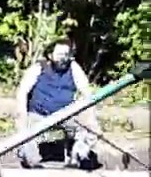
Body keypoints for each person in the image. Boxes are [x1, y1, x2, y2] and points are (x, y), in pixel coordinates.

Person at [16, 38, 100, 169]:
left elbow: (87, 94)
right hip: (38, 114)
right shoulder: (38, 67)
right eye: (60, 54)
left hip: (65, 114)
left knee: (91, 126)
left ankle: (78, 154)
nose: (63, 58)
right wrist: (22, 117)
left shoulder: (73, 68)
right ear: (50, 55)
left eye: (66, 54)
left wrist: (89, 117)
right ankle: (27, 155)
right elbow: (22, 92)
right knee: (27, 143)